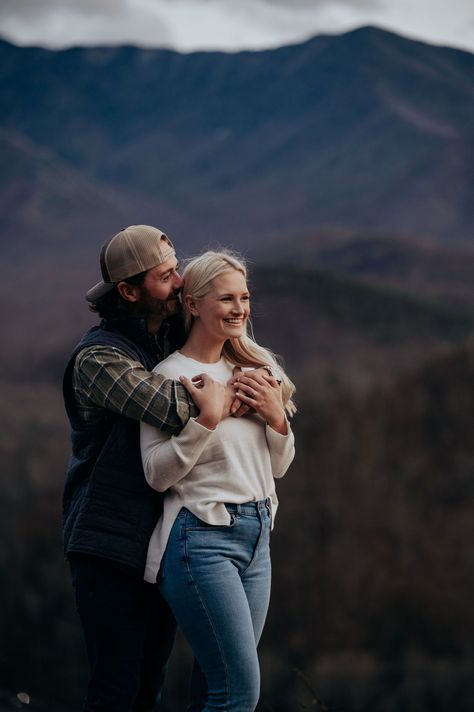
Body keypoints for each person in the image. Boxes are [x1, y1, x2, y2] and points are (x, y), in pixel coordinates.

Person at [140, 250, 296, 712]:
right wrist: (205, 421)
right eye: (226, 298)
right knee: (239, 693)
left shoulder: (257, 369)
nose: (240, 309)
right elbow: (156, 473)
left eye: (244, 297)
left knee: (215, 688)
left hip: (258, 538)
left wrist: (276, 420)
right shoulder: (169, 376)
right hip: (200, 541)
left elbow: (279, 467)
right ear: (193, 304)